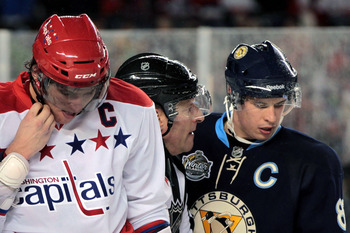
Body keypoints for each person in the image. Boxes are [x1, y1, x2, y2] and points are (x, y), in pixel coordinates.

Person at [0, 14, 171, 233]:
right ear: (37, 75)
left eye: (89, 91)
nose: (77, 104)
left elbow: (148, 210)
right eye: (64, 91)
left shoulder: (133, 106)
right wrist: (16, 157)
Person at [180, 40, 347, 233]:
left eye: (279, 105)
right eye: (261, 105)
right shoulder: (189, 134)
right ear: (233, 94)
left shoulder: (314, 160)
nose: (272, 117)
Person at [115, 53, 212, 233]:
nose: (199, 117)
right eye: (189, 108)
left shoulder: (175, 170)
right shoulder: (110, 179)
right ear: (154, 116)